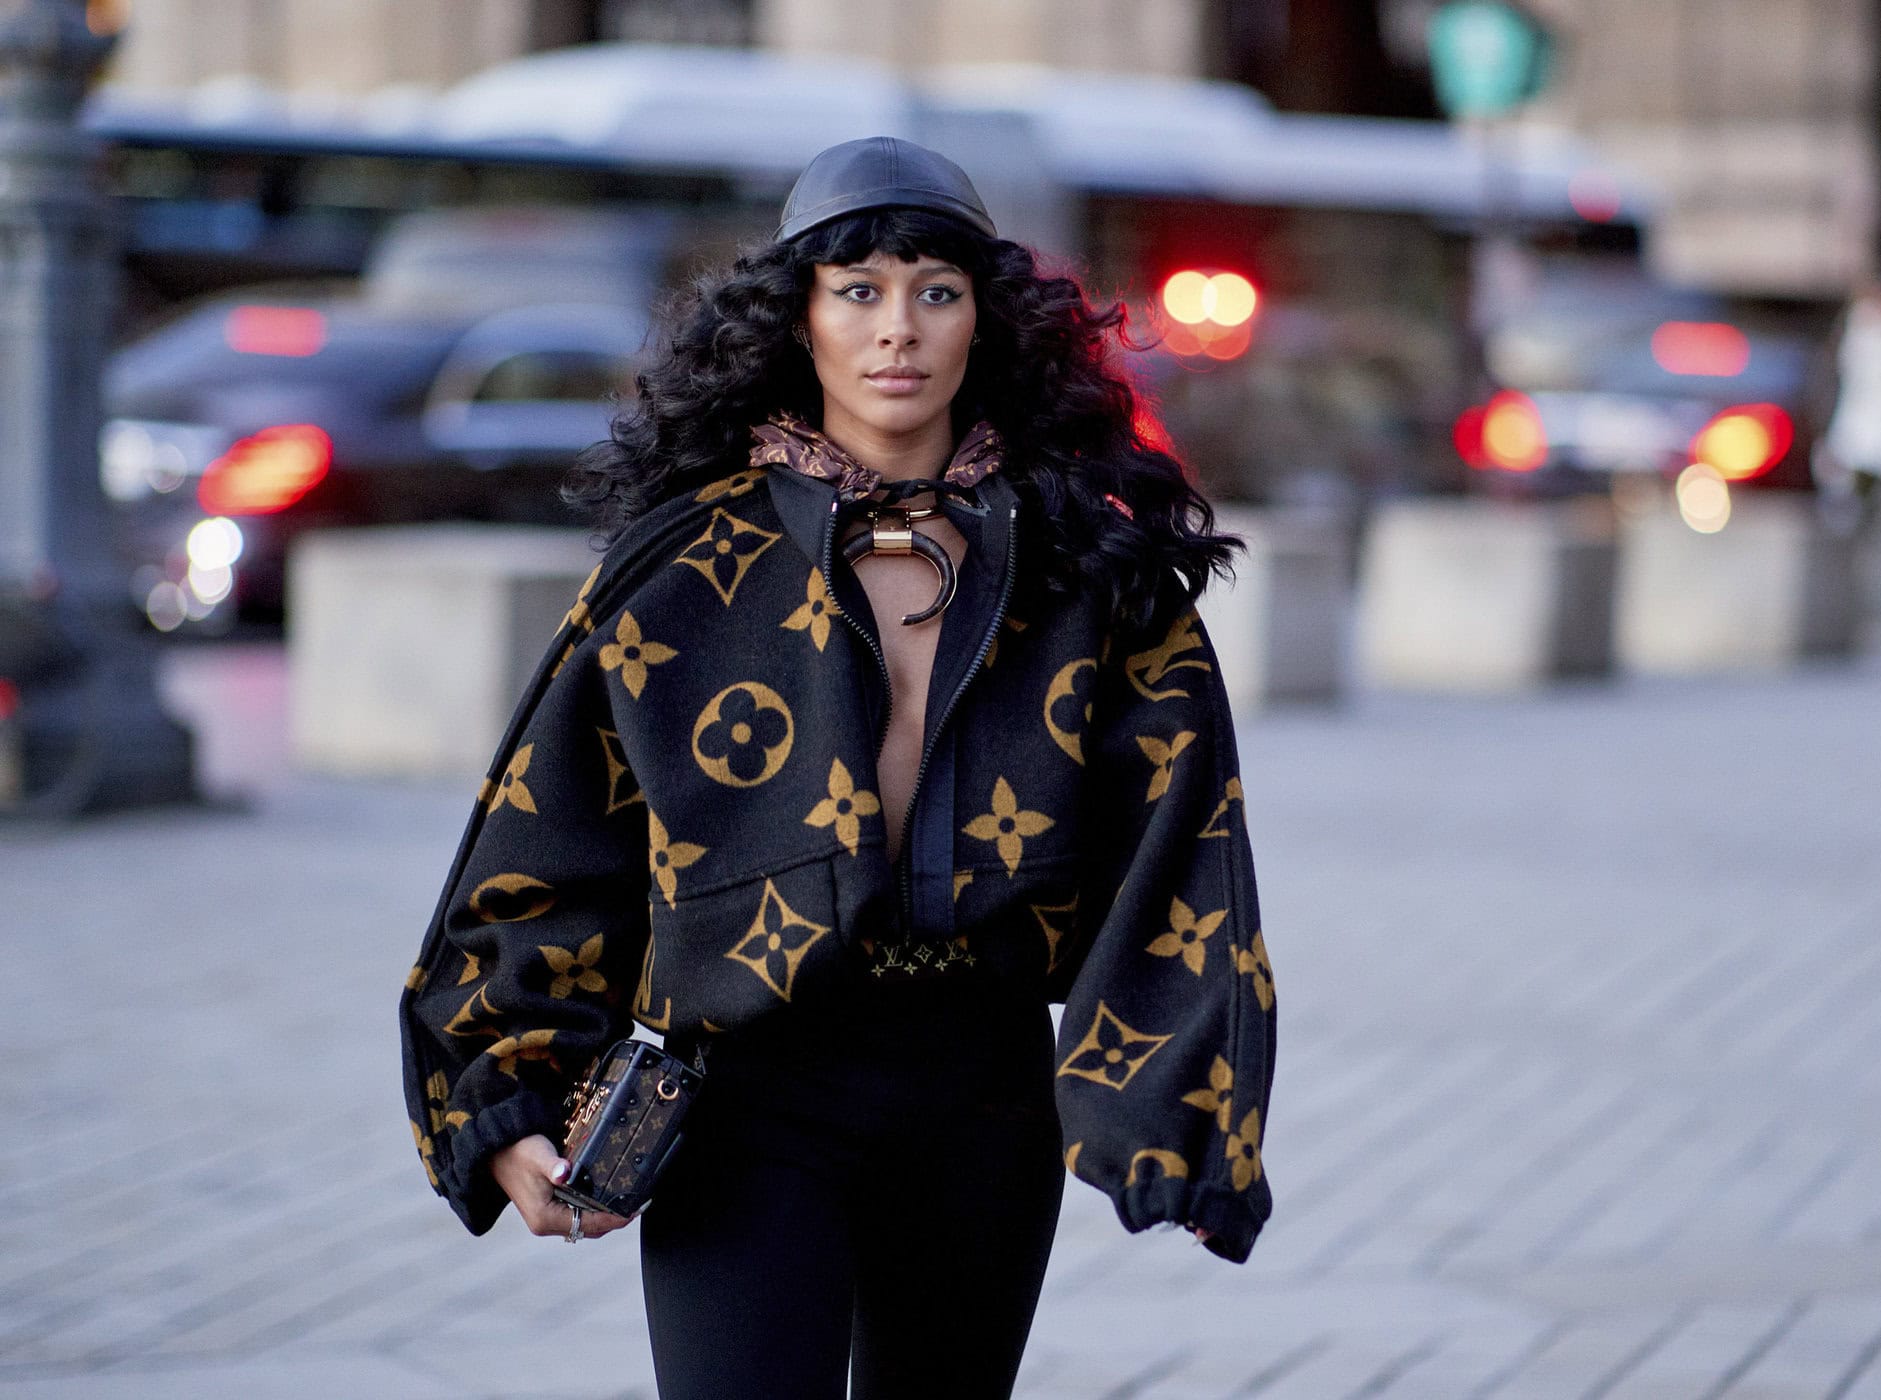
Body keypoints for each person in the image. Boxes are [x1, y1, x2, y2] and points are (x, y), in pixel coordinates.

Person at [399, 136, 1276, 1399]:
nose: (897, 328)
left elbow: (1185, 845)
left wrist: (1180, 1115)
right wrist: (505, 1097)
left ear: (985, 320)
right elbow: (551, 830)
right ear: (797, 317)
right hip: (749, 1092)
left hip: (981, 1090)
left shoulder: (1088, 567)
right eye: (857, 290)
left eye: (936, 290)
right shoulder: (684, 568)